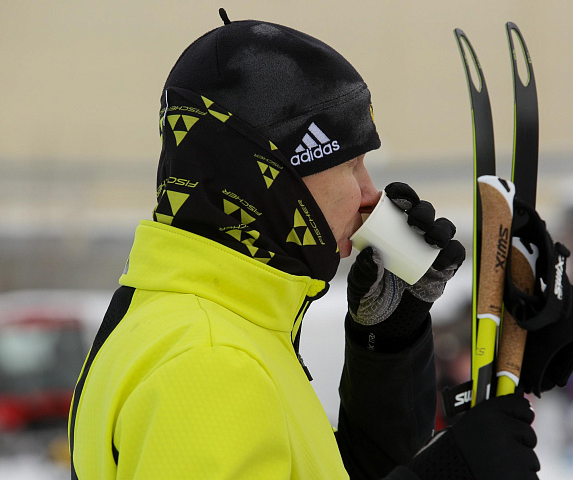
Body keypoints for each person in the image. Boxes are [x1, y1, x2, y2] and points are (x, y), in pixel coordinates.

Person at [68, 10, 540, 480]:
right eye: (350, 164)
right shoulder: (209, 361)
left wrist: (386, 344)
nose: (371, 195)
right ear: (271, 180)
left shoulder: (194, 323)